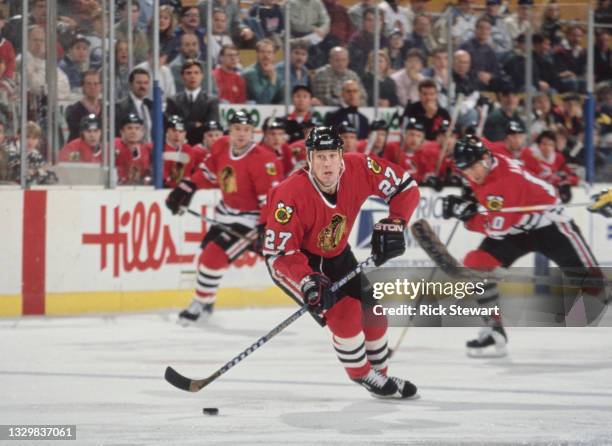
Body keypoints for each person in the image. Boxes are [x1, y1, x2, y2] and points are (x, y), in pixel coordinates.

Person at [262, 126, 420, 398]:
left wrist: (396, 222)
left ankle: (380, 377)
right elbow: (280, 254)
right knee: (345, 315)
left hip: (338, 253)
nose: (327, 163)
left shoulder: (360, 167)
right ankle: (362, 374)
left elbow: (406, 186)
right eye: (320, 156)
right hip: (299, 262)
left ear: (341, 156)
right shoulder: (289, 194)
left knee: (374, 311)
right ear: (308, 159)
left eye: (332, 155)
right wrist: (307, 281)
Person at [442, 135, 605, 357]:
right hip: (517, 228)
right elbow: (485, 199)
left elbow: (497, 227)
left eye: (472, 169)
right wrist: (466, 201)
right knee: (476, 263)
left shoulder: (506, 180)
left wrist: (466, 216)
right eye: (465, 171)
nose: (470, 175)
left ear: (485, 158)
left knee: (596, 288)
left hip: (549, 225)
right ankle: (494, 330)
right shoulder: (482, 162)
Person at [165, 111, 283, 324]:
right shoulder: (220, 146)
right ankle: (207, 301)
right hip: (225, 213)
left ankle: (200, 303)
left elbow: (271, 199)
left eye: (247, 130)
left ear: (253, 133)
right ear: (230, 130)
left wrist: (265, 227)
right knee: (206, 257)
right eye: (237, 129)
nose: (241, 134)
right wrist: (186, 187)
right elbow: (207, 173)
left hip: (251, 220)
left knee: (213, 256)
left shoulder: (264, 160)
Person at [166, 59, 220, 146]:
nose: (192, 76)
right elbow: (171, 127)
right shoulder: (173, 101)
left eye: (196, 73)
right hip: (179, 147)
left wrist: (184, 124)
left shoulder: (211, 101)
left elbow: (211, 128)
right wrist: (195, 124)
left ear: (202, 75)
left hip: (202, 147)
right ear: (182, 76)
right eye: (188, 73)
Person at [519, 130, 579, 203]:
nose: (547, 147)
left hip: (548, 196)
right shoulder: (529, 154)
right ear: (538, 145)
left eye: (551, 145)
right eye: (544, 144)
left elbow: (573, 176)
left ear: (554, 146)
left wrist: (566, 180)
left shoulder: (558, 157)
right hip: (529, 193)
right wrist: (554, 178)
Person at [114, 113, 153, 185]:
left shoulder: (149, 149)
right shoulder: (113, 146)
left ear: (142, 132)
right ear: (121, 131)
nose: (133, 132)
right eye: (129, 128)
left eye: (137, 128)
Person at [65, 69, 102, 142]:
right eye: (89, 84)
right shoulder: (73, 111)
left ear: (101, 86)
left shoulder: (107, 110)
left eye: (96, 83)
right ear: (82, 87)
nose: (92, 87)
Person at [163, 115, 194, 188]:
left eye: (181, 131)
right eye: (174, 131)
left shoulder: (188, 149)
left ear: (185, 134)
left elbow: (189, 174)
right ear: (167, 132)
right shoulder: (159, 148)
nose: (177, 135)